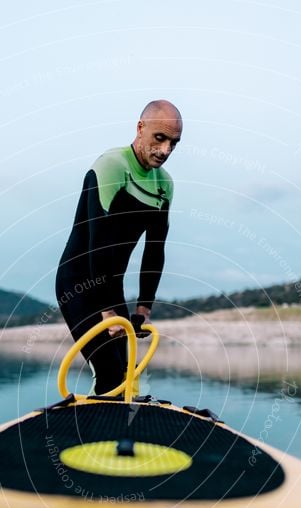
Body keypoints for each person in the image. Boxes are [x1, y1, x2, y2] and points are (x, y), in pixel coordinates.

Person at [55, 99, 182, 395]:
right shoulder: (112, 165)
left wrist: (144, 307)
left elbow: (155, 249)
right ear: (140, 128)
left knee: (127, 379)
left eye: (173, 144)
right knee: (110, 375)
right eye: (159, 138)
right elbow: (95, 243)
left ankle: (120, 435)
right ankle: (90, 434)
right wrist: (107, 311)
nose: (165, 151)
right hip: (78, 282)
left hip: (112, 290)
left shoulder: (165, 184)